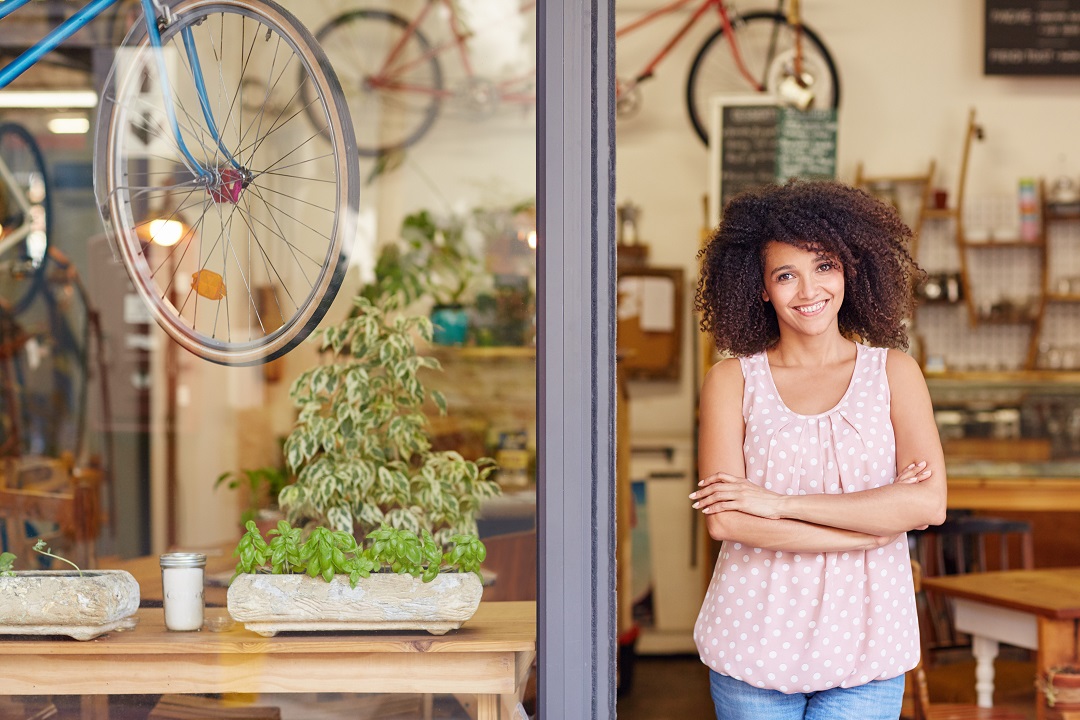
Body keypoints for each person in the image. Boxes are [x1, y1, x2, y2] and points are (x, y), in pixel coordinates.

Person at [689, 180, 947, 720]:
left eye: (824, 266)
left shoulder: (895, 374)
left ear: (851, 270)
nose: (809, 290)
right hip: (752, 643)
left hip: (867, 644)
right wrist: (869, 529)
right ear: (759, 288)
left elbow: (927, 505)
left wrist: (777, 503)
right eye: (786, 275)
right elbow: (728, 522)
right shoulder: (730, 381)